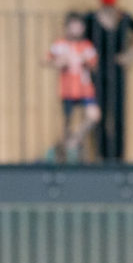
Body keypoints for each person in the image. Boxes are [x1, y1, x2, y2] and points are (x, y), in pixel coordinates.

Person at [84, 0, 133, 162]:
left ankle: (118, 155)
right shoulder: (91, 18)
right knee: (99, 113)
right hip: (98, 71)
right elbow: (82, 41)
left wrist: (129, 56)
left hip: (117, 70)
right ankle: (101, 154)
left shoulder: (124, 18)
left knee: (118, 112)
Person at [44, 13, 100, 163]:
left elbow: (94, 64)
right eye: (73, 25)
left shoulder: (86, 46)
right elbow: (47, 60)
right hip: (68, 90)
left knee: (93, 115)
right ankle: (65, 154)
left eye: (79, 25)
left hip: (85, 89)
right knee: (67, 123)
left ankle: (75, 140)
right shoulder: (60, 45)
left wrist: (85, 61)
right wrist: (59, 62)